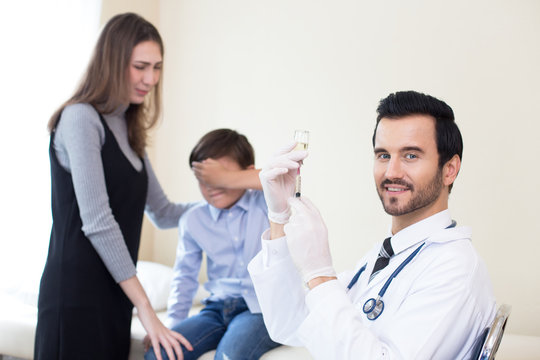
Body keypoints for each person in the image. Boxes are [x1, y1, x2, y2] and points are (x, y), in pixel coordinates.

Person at [34, 13, 250, 360]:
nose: (150, 78)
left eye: (157, 67)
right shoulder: (80, 119)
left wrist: (233, 193)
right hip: (76, 295)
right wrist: (147, 310)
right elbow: (99, 222)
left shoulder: (128, 128)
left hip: (117, 295)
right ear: (112, 61)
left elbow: (163, 214)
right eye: (140, 66)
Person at [247, 91, 496, 359]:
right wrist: (279, 217)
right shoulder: (386, 255)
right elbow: (288, 324)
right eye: (383, 155)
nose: (391, 172)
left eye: (411, 156)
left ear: (449, 169)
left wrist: (320, 275)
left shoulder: (454, 268)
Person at [145, 129, 281, 360]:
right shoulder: (193, 219)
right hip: (216, 309)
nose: (211, 186)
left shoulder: (266, 203)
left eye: (219, 177)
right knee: (160, 353)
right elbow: (184, 278)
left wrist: (227, 178)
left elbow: (283, 180)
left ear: (246, 174)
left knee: (230, 355)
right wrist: (172, 327)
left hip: (261, 310)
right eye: (204, 179)